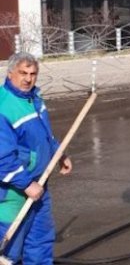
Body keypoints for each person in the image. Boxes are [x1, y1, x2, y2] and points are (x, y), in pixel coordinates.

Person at [0, 52, 72, 263]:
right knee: (9, 250)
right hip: (13, 192)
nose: (28, 79)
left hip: (39, 184)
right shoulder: (4, 106)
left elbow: (43, 135)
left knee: (39, 243)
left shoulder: (34, 99)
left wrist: (59, 153)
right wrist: (25, 184)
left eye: (33, 74)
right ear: (10, 73)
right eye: (23, 73)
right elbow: (2, 158)